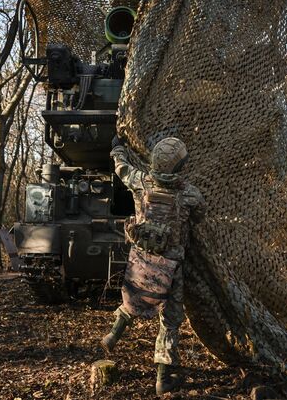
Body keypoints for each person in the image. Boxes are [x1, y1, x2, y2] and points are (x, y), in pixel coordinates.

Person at [101, 135, 206, 395]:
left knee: (134, 296)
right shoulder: (189, 193)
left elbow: (121, 168)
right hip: (171, 266)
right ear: (179, 166)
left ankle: (113, 334)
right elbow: (201, 215)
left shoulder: (141, 182)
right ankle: (163, 378)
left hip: (141, 257)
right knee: (170, 321)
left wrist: (117, 147)